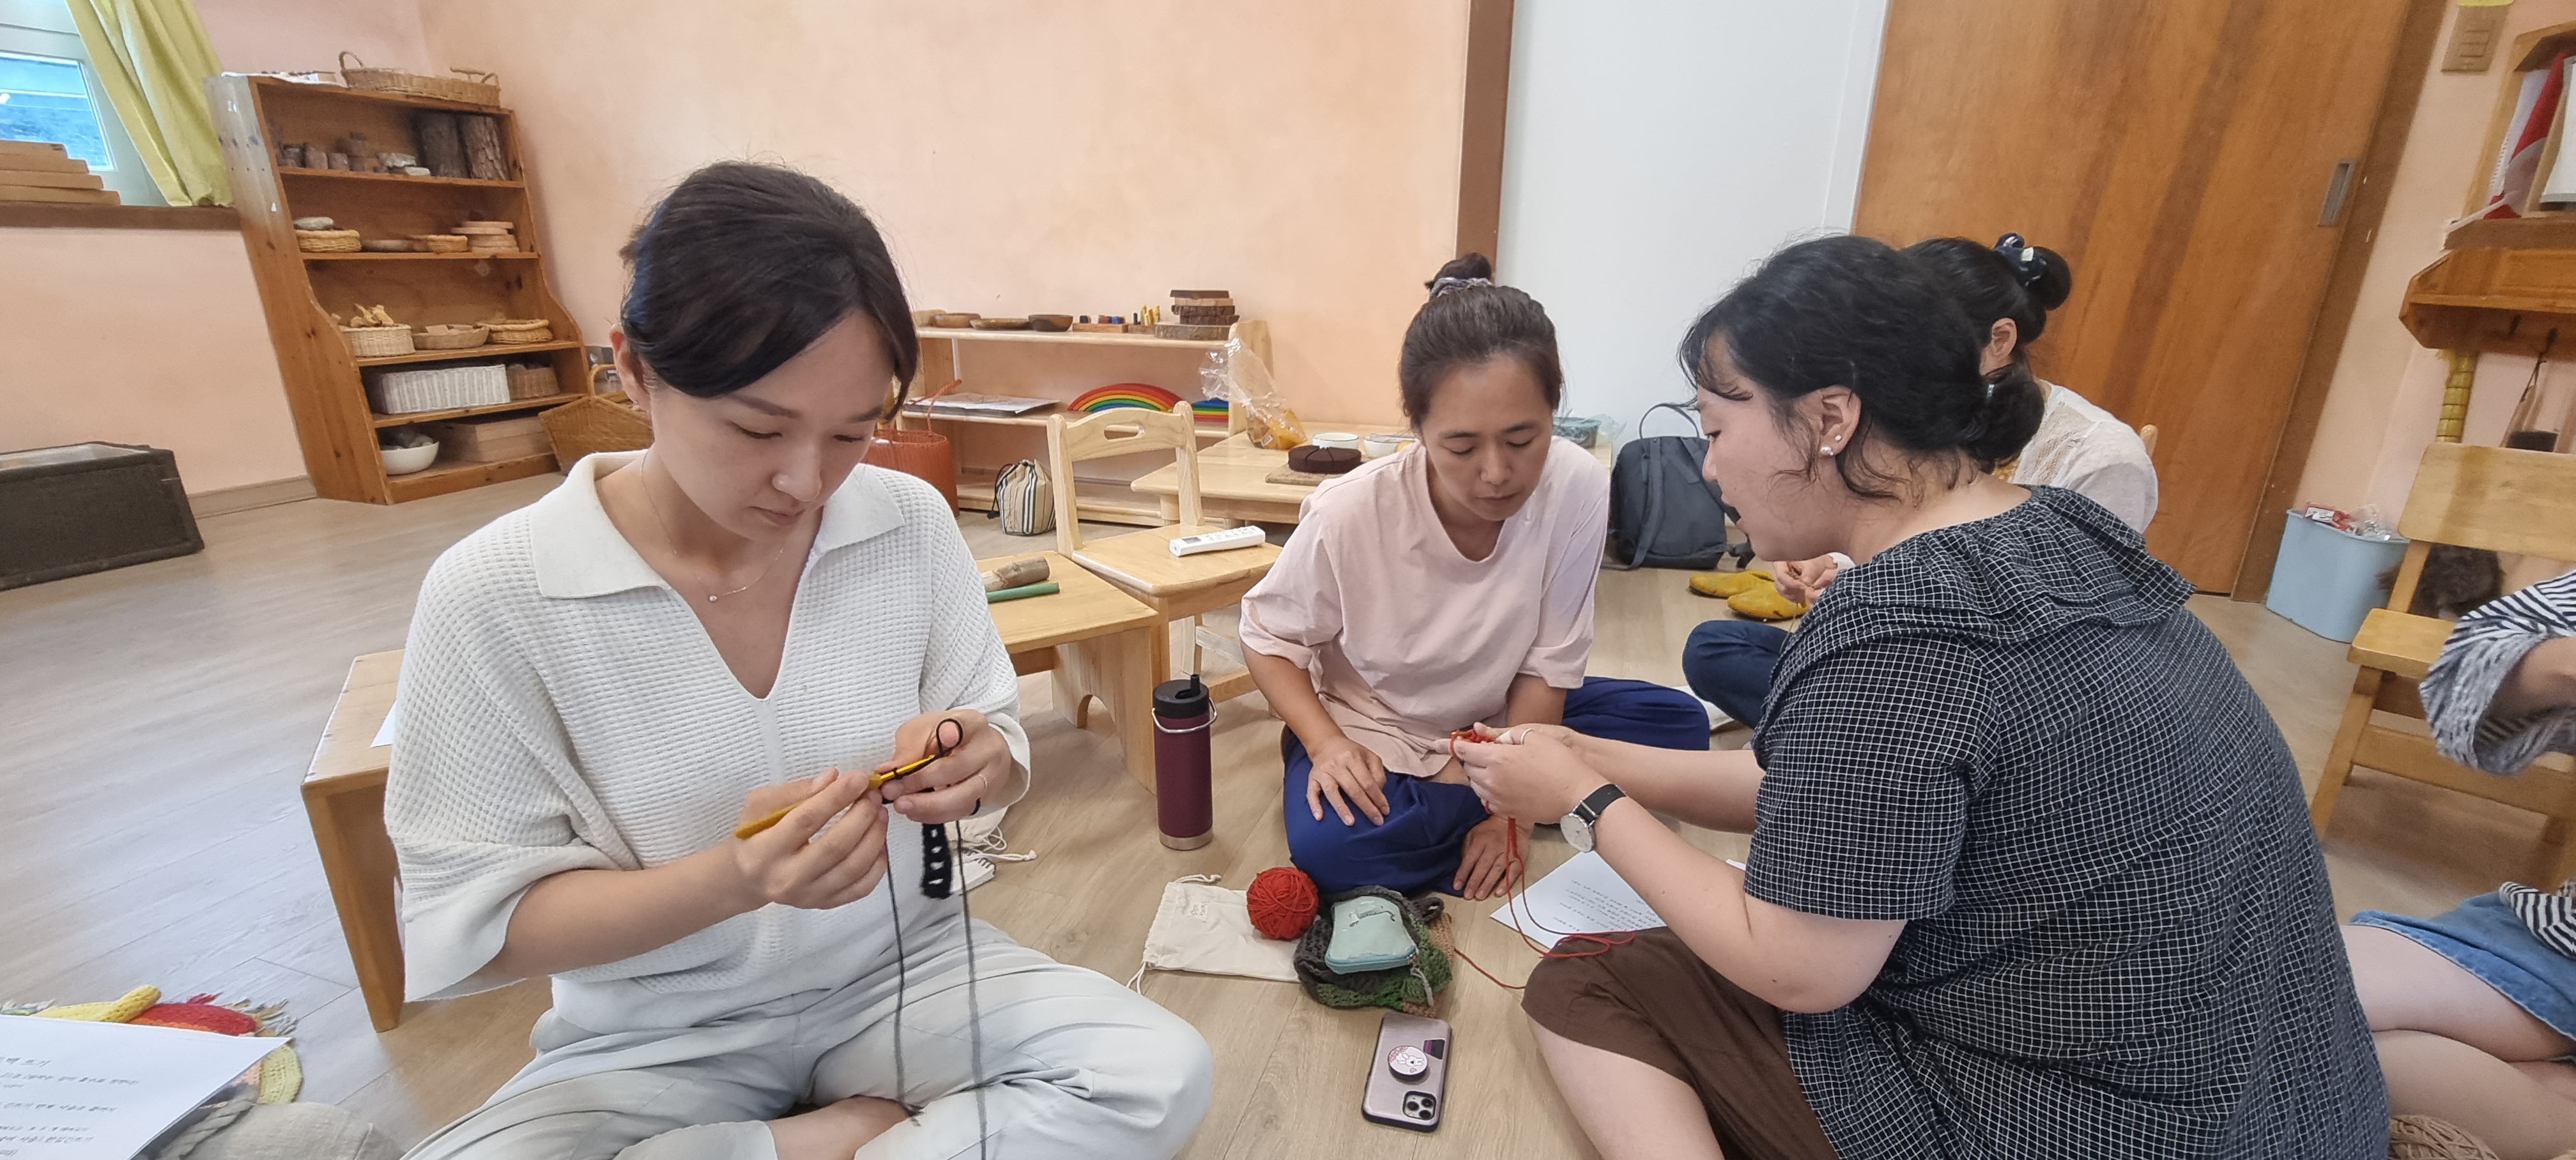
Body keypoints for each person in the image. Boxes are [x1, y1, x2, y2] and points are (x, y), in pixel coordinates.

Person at [1455, 234, 2384, 1159]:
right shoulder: (2059, 529)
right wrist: (1589, 756)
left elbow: (1797, 969)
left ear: (1830, 418)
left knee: (1586, 983)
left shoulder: (1900, 627)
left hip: (2095, 1124)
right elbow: (1831, 797)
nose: (1708, 468)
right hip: (2299, 1109)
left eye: (1718, 429)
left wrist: (1588, 803)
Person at [387, 162, 1211, 1160]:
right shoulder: (495, 592)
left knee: (1157, 1073)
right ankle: (837, 1141)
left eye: (852, 434)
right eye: (757, 428)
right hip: (652, 1035)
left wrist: (980, 759)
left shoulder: (907, 522)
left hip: (901, 978)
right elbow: (477, 932)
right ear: (634, 370)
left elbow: (990, 739)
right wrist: (735, 880)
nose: (805, 481)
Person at [1238, 254, 1709, 901]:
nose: (1496, 473)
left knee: (1679, 726)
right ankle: (1556, 796)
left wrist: (1511, 817)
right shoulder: (1349, 513)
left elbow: (1547, 666)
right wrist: (1325, 744)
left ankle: (1494, 794)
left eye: (1523, 440)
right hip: (1381, 722)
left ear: (1554, 414)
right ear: (1418, 429)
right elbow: (1268, 638)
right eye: (1461, 447)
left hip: (1502, 711)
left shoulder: (1576, 484)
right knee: (1332, 853)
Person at [1683, 233, 2158, 728]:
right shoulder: (1919, 483)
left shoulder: (2093, 462)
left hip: (1994, 693)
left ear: (1999, 341)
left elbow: (2056, 659)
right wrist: (1830, 560)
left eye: (1716, 432)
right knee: (1717, 646)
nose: (1710, 468)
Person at [2344, 567, 2576, 1160]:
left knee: (2286, 1023)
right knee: (2263, 990)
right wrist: (2560, 666)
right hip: (2558, 941)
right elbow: (2468, 664)